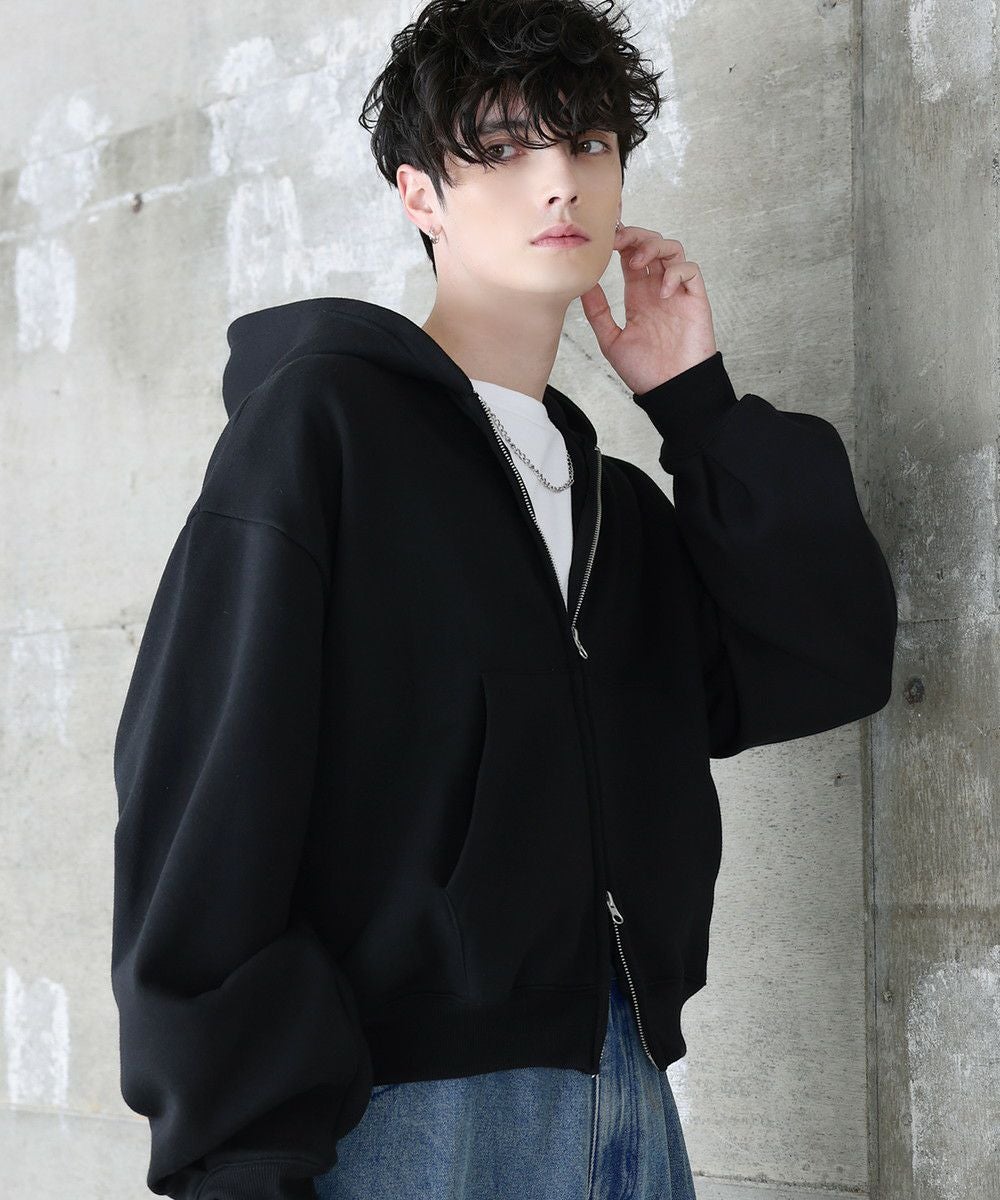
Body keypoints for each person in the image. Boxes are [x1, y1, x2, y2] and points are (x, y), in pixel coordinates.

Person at [110, 1, 899, 1198]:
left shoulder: (615, 509)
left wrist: (696, 406)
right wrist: (241, 1156)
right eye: (503, 147)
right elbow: (205, 804)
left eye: (586, 143)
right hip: (405, 1117)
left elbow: (826, 662)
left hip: (627, 1093)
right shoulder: (326, 431)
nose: (558, 181)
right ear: (419, 194)